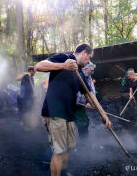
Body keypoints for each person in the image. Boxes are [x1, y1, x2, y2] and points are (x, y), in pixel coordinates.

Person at [36, 43, 111, 176]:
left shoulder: (80, 73)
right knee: (59, 152)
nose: (89, 61)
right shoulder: (64, 57)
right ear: (83, 52)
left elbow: (89, 94)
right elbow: (39, 66)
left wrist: (103, 114)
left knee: (67, 149)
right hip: (55, 112)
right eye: (89, 57)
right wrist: (64, 66)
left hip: (69, 115)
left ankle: (63, 173)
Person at [75, 62, 96, 139]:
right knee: (72, 122)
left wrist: (89, 102)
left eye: (93, 71)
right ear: (84, 69)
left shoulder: (89, 78)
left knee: (84, 122)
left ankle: (83, 140)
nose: (92, 72)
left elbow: (92, 93)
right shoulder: (75, 76)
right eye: (91, 70)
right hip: (70, 106)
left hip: (81, 106)